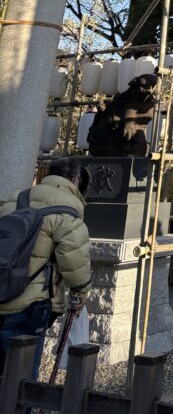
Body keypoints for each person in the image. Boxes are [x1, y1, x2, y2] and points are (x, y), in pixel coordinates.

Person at [0, 158, 92, 379]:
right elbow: (75, 260)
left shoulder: (15, 199)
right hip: (30, 305)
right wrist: (81, 294)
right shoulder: (67, 213)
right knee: (21, 378)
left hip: (2, 290)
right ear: (75, 179)